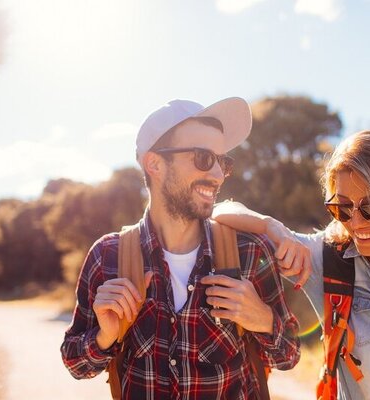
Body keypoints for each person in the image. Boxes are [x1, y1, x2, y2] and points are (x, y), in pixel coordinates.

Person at [60, 97, 301, 399]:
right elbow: (75, 363)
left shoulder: (249, 253)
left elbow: (289, 355)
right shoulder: (107, 256)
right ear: (155, 163)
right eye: (203, 158)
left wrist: (262, 319)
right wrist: (105, 336)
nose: (216, 174)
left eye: (223, 162)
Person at [213, 130, 370, 399]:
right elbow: (221, 212)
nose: (355, 223)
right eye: (341, 207)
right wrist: (273, 227)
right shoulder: (327, 261)